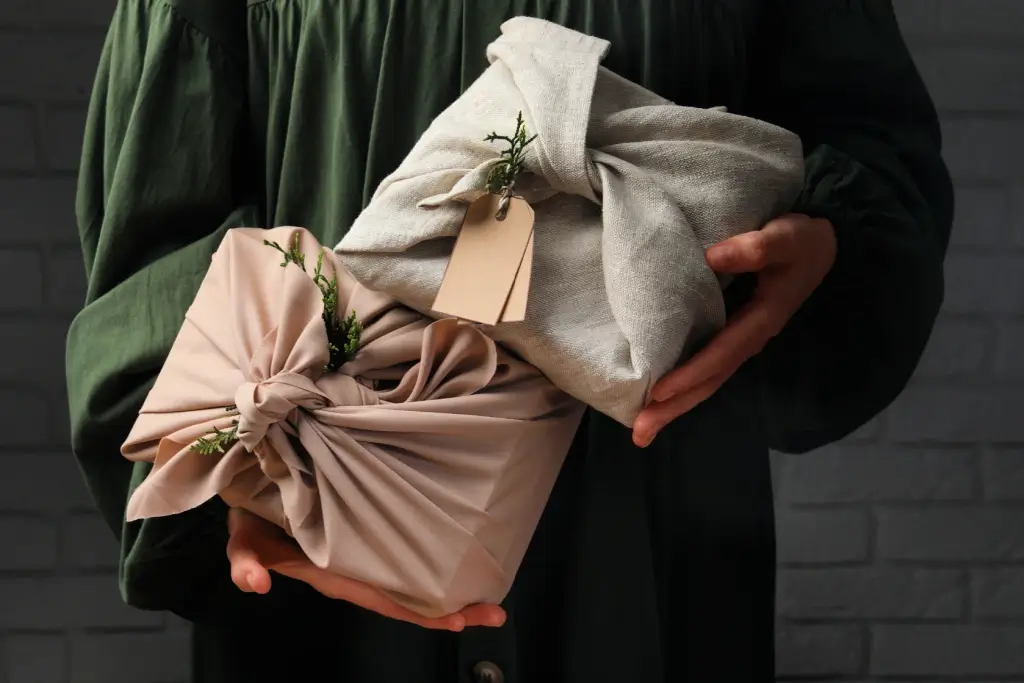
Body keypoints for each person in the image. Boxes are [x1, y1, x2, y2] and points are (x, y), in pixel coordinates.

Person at [65, 0, 953, 681]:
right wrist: (224, 469)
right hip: (320, 578)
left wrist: (833, 243)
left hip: (648, 564)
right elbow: (151, 237)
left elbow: (877, 152)